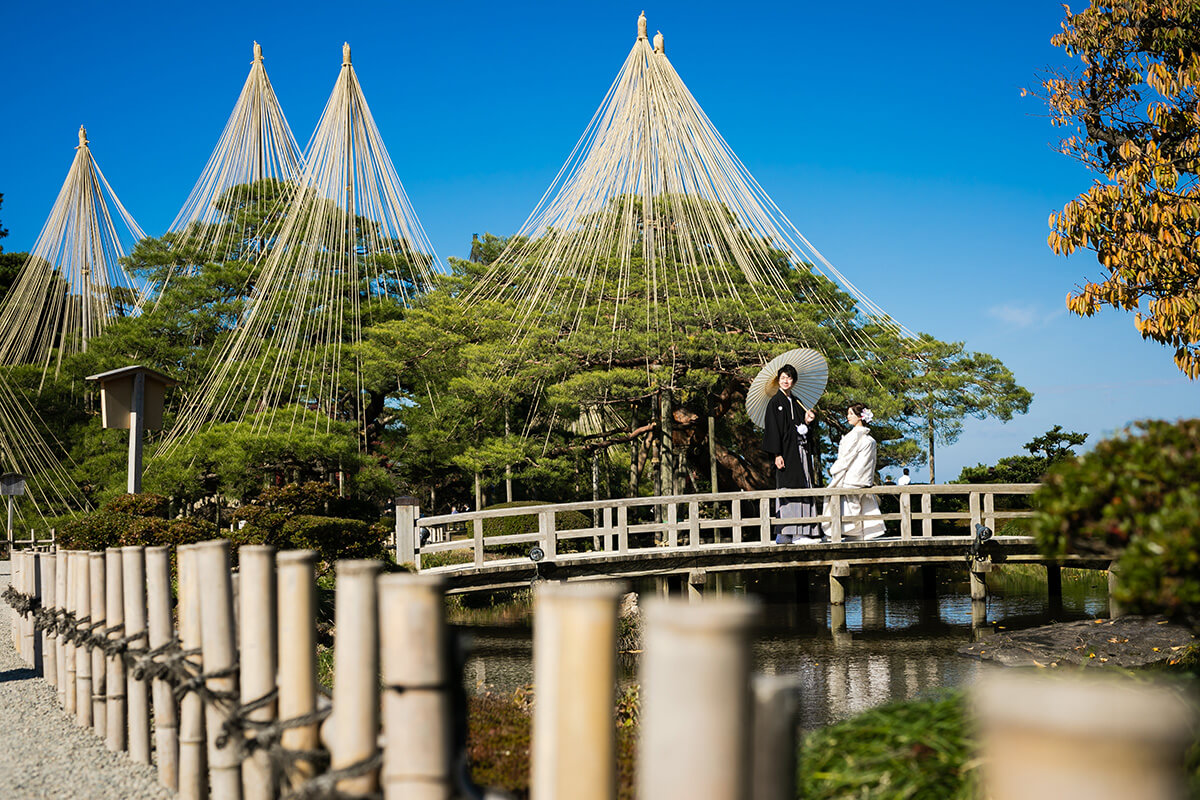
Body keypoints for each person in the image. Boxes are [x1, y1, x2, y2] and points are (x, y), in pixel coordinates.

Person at [761, 364, 821, 543]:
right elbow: (772, 430)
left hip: (800, 452)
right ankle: (789, 532)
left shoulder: (796, 401)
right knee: (788, 488)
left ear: (794, 381)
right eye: (782, 378)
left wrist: (808, 422)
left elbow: (804, 430)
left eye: (789, 378)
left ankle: (798, 532)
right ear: (778, 380)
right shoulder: (775, 402)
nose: (786, 381)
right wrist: (777, 454)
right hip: (786, 453)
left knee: (803, 487)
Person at [823, 403, 886, 540]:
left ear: (859, 417)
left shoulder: (854, 436)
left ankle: (854, 533)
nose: (848, 416)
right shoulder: (869, 439)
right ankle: (867, 532)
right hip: (864, 477)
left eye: (851, 414)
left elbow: (847, 458)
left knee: (850, 506)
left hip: (852, 477)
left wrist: (834, 469)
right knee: (864, 505)